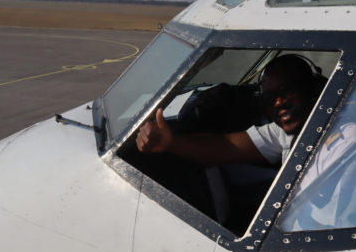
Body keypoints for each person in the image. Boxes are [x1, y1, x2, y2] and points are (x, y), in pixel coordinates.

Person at [136, 54, 326, 167]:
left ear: (314, 88)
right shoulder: (282, 132)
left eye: (286, 90)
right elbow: (227, 146)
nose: (278, 103)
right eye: (269, 98)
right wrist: (171, 143)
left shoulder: (343, 140)